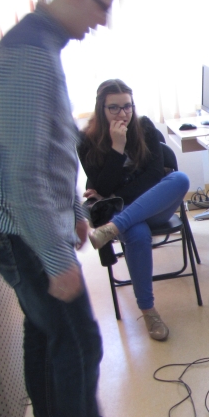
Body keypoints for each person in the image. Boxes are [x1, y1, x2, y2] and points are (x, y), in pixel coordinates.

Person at [0, 0, 152, 417]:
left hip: (19, 223)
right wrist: (56, 257)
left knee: (45, 332)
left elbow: (51, 145)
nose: (102, 20)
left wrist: (73, 207)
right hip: (17, 228)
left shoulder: (40, 44)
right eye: (99, 5)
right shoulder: (29, 55)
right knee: (79, 339)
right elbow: (24, 171)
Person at [78, 79, 190, 341]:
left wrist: (114, 195)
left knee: (180, 179)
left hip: (147, 208)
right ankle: (149, 311)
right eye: (114, 108)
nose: (123, 114)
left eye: (127, 106)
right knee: (137, 234)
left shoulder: (145, 127)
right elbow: (100, 185)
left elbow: (154, 177)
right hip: (122, 212)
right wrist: (117, 148)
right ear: (101, 108)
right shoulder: (85, 140)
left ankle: (113, 228)